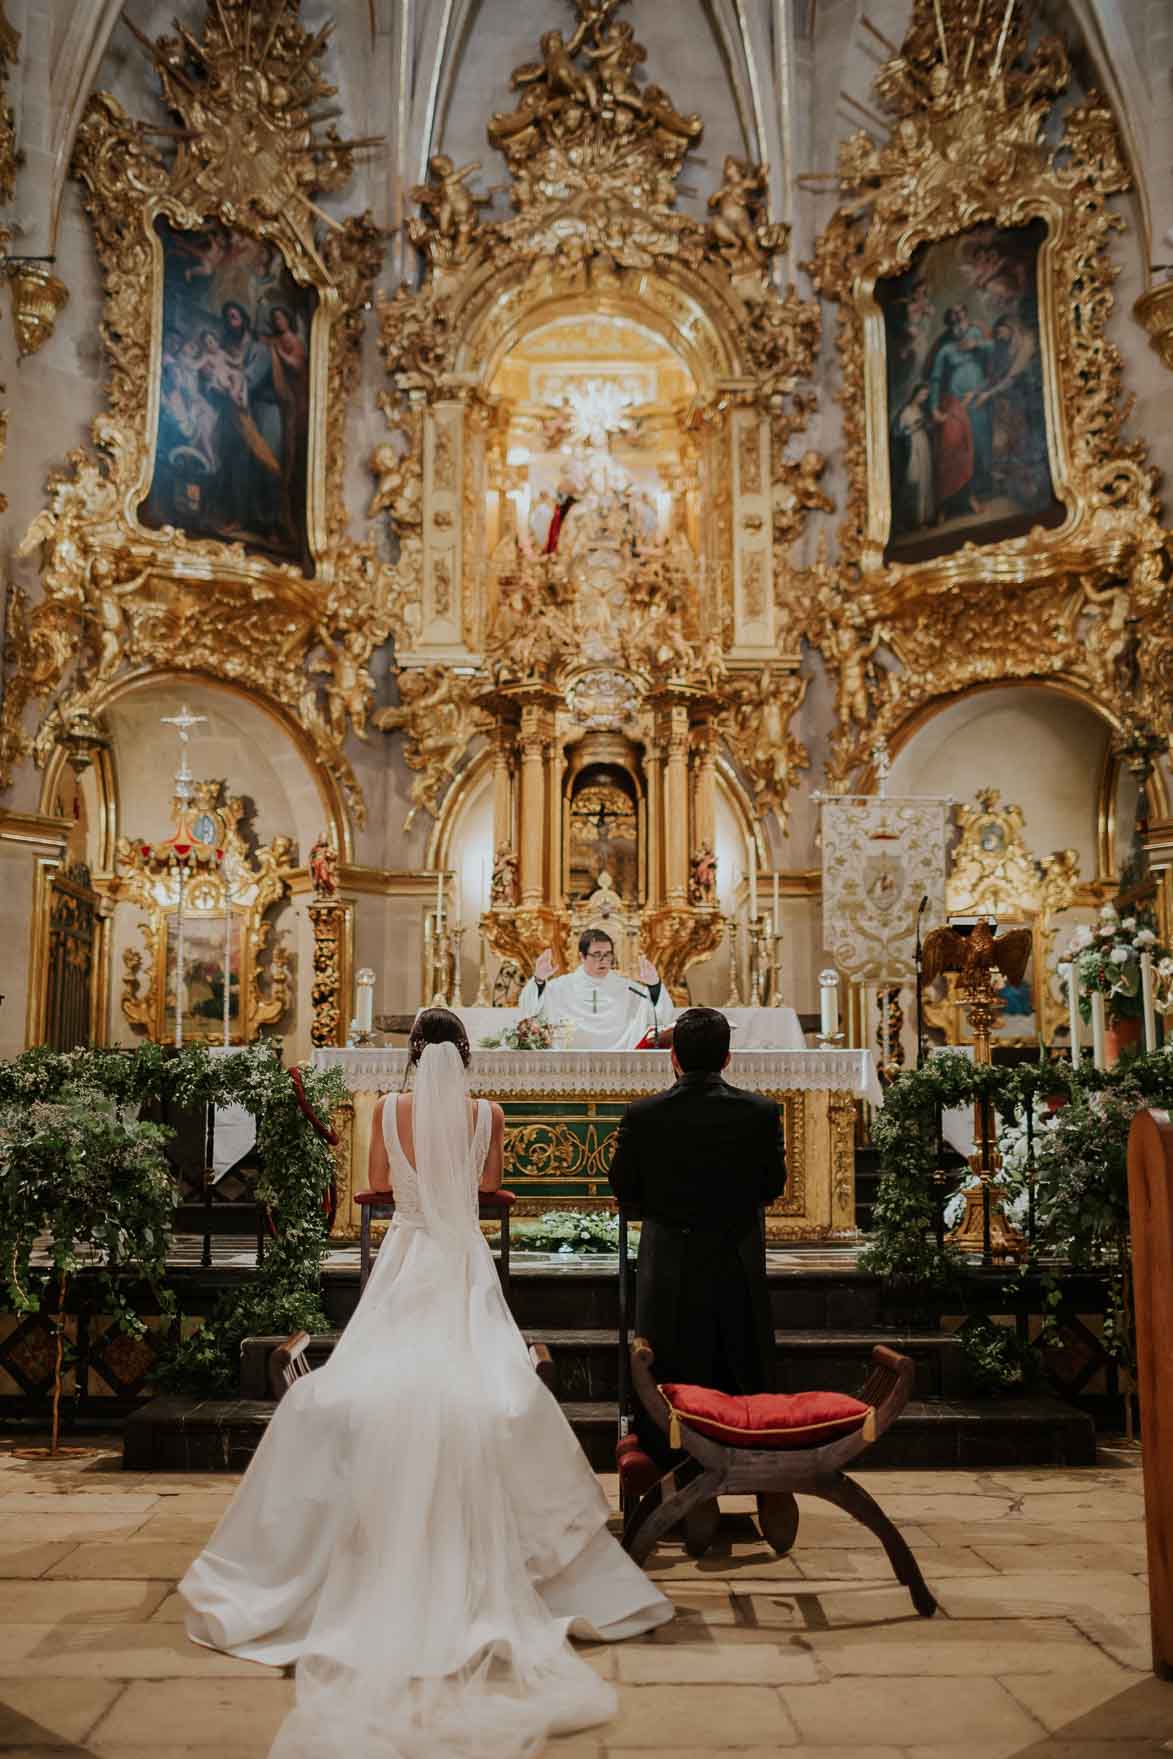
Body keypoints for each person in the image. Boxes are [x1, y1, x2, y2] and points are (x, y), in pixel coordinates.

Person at [180, 1007, 671, 1757]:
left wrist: (414, 1190)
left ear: (411, 1054)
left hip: (406, 1256)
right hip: (464, 1259)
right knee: (480, 1377)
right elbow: (487, 1188)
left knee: (369, 1376)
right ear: (467, 1055)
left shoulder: (386, 1107)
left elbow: (376, 1187)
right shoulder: (490, 1113)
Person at [607, 1006, 786, 1466]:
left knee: (668, 1362)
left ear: (673, 1058)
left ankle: (670, 1461)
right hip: (735, 1256)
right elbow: (771, 1187)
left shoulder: (644, 1115)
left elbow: (623, 1188)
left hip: (669, 1259)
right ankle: (747, 1463)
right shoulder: (761, 1113)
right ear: (728, 1059)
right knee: (738, 1361)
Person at [517, 927, 672, 1050]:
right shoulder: (561, 987)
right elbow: (531, 1010)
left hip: (620, 1064)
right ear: (582, 956)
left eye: (608, 954)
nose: (603, 960)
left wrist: (654, 985)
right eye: (597, 954)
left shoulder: (628, 988)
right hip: (571, 1063)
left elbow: (656, 1015)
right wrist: (538, 980)